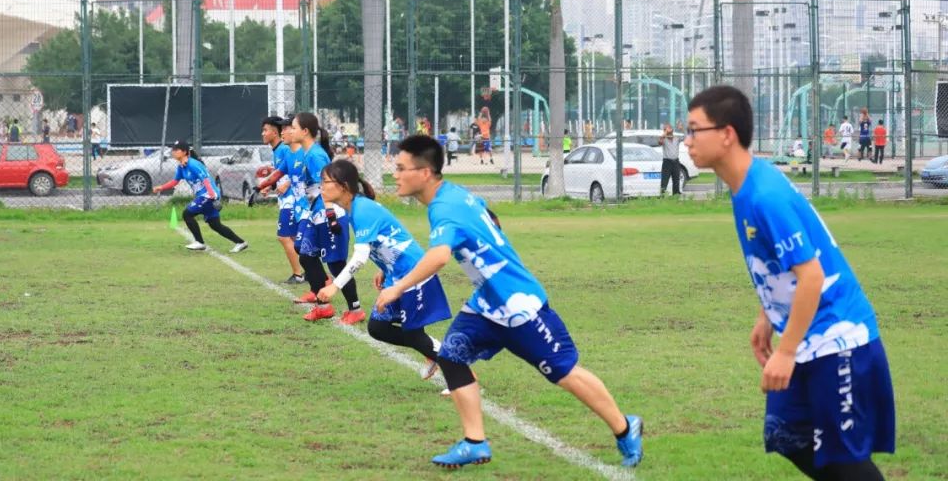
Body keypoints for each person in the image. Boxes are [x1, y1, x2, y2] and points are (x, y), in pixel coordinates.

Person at [376, 135, 643, 469]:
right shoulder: (451, 195)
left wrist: (397, 287)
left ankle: (623, 426)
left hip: (519, 305)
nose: (395, 173)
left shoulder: (445, 208)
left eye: (401, 168)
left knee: (563, 373)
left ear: (426, 172)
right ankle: (475, 442)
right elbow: (490, 218)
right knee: (452, 356)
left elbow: (440, 256)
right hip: (487, 304)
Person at [683, 86, 894, 480]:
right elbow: (783, 264)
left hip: (837, 336)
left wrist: (786, 352)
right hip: (810, 335)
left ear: (726, 134)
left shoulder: (764, 195)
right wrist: (767, 317)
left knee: (842, 457)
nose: (687, 140)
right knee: (787, 434)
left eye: (695, 130)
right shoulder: (745, 186)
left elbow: (811, 275)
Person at [316, 159, 452, 384]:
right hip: (396, 273)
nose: (321, 186)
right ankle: (435, 354)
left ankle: (459, 371)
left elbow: (360, 255)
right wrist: (384, 268)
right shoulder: (354, 208)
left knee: (413, 334)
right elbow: (382, 241)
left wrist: (334, 286)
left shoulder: (362, 210)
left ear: (343, 186)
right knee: (378, 328)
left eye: (325, 181)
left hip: (412, 273)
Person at [291, 112, 365, 324]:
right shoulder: (308, 153)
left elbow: (329, 188)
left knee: (336, 263)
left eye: (294, 127)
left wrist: (331, 215)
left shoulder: (316, 155)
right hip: (317, 213)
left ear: (305, 131)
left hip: (328, 213)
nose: (290, 131)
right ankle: (323, 305)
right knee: (306, 255)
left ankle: (355, 309)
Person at [153, 140, 248, 253]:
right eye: (173, 149)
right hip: (206, 195)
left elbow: (205, 179)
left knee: (187, 214)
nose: (173, 152)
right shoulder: (181, 167)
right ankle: (240, 242)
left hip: (208, 194)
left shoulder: (193, 164)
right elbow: (175, 181)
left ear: (184, 152)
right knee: (215, 225)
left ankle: (199, 242)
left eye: (176, 150)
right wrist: (161, 187)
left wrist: (212, 195)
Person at [260, 116, 305, 283]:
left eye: (266, 130)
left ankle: (298, 274)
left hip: (292, 199)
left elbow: (297, 170)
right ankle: (308, 272)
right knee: (293, 238)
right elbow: (282, 172)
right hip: (285, 198)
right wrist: (269, 186)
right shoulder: (277, 150)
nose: (262, 133)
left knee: (284, 237)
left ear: (275, 132)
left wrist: (286, 183)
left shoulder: (286, 149)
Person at [659, 123, 681, 196]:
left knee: (676, 179)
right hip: (667, 162)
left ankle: (676, 194)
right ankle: (662, 195)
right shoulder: (664, 138)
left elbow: (686, 136)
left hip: (675, 161)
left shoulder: (676, 138)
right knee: (665, 179)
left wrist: (681, 128)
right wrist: (665, 132)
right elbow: (660, 142)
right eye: (666, 129)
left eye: (669, 128)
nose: (668, 129)